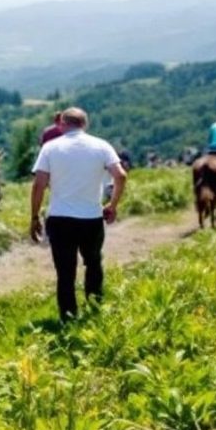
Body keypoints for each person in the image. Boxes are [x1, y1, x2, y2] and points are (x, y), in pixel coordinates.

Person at [29, 107, 127, 322]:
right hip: (91, 217)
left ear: (62, 124)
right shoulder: (102, 146)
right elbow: (120, 175)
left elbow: (39, 185)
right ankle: (94, 310)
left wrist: (34, 216)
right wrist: (112, 204)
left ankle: (68, 316)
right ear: (85, 124)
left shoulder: (50, 147)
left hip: (60, 218)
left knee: (65, 272)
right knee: (93, 263)